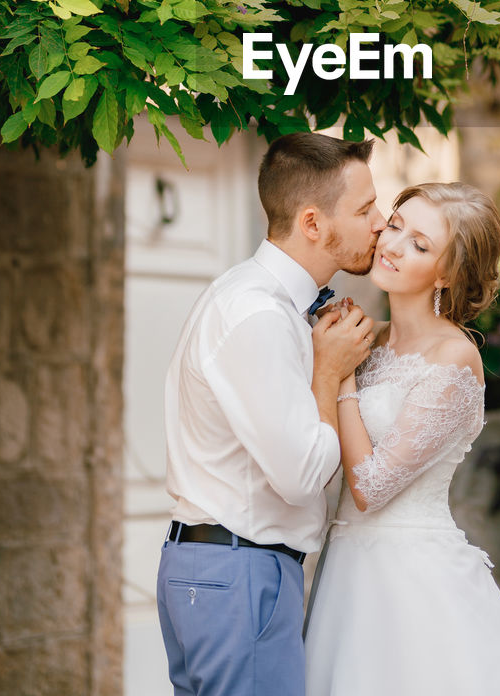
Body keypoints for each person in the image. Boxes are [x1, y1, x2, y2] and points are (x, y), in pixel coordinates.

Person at [158, 132, 385, 696]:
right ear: (313, 223)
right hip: (242, 572)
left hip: (219, 569)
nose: (380, 222)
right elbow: (302, 473)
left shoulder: (255, 300)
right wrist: (329, 375)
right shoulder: (258, 314)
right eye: (364, 209)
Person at [304, 181, 500, 696]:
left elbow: (371, 488)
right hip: (346, 570)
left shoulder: (454, 358)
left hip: (410, 583)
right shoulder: (369, 343)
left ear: (447, 272)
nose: (393, 246)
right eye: (395, 226)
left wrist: (341, 374)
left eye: (420, 244)